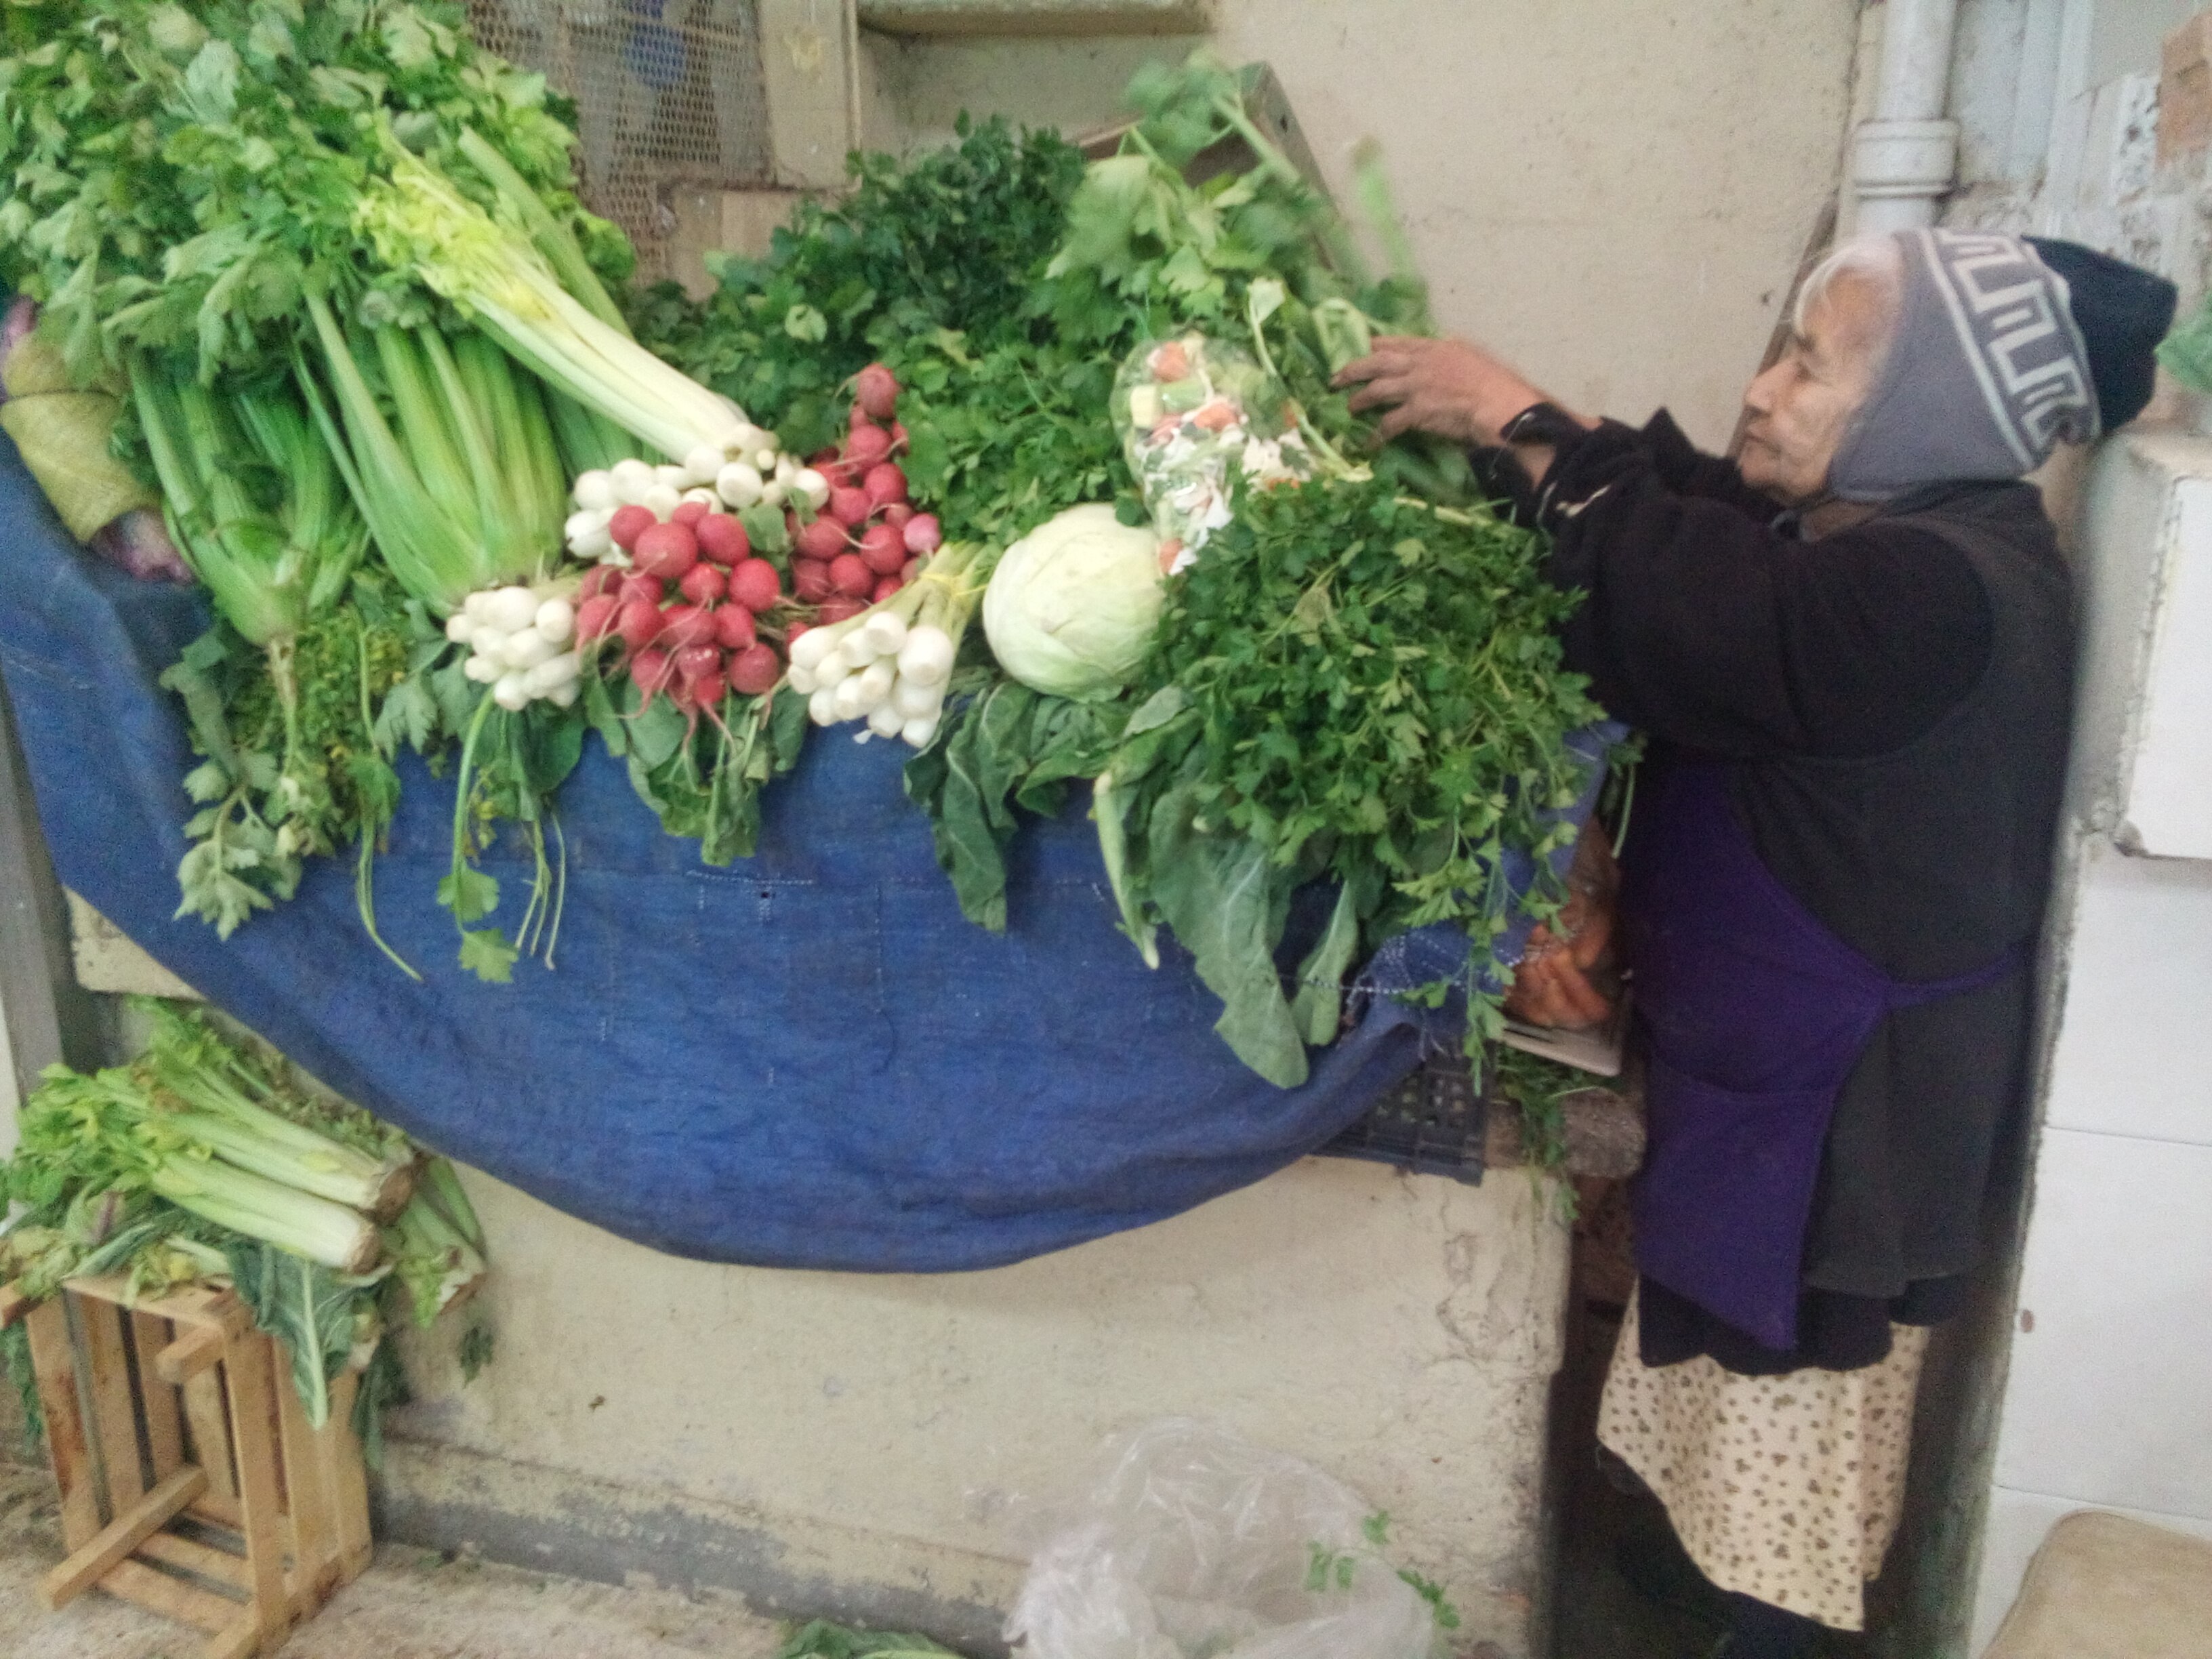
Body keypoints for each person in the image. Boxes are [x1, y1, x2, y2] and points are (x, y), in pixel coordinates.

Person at [1336, 229, 2175, 1657]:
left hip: (1848, 1118)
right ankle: (1688, 1592)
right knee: (1730, 1399)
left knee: (1791, 1440)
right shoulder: (1894, 532)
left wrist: (1515, 414)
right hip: (1786, 1070)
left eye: (1814, 363)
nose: (1763, 388)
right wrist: (1556, 439)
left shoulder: (1938, 588)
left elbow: (1696, 607)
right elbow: (1710, 519)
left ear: (1933, 408)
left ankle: (1767, 1637)